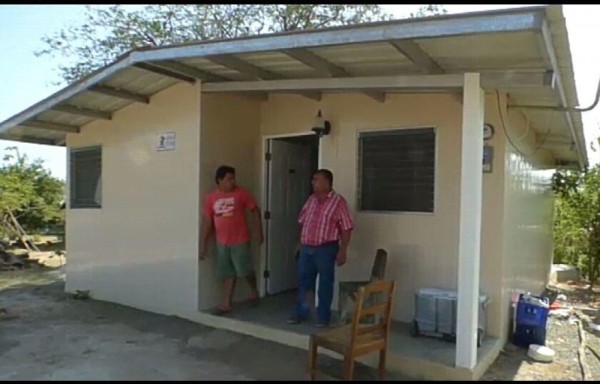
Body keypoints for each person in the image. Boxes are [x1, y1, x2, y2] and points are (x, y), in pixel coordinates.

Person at [288, 169, 354, 327]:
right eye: (313, 180)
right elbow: (304, 222)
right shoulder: (311, 200)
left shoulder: (339, 202)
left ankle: (323, 316)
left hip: (326, 248)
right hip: (306, 247)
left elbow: (347, 227)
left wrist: (343, 250)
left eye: (316, 179)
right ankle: (300, 312)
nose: (313, 183)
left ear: (327, 182)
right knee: (304, 282)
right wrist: (299, 243)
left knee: (325, 283)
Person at [200, 165, 264, 315]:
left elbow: (254, 211)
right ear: (219, 180)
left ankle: (254, 289)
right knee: (227, 272)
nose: (232, 181)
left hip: (240, 239)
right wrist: (203, 244)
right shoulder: (211, 198)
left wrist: (259, 231)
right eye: (229, 179)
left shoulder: (241, 193)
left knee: (244, 269)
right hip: (222, 241)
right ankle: (226, 303)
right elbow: (207, 222)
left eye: (233, 178)